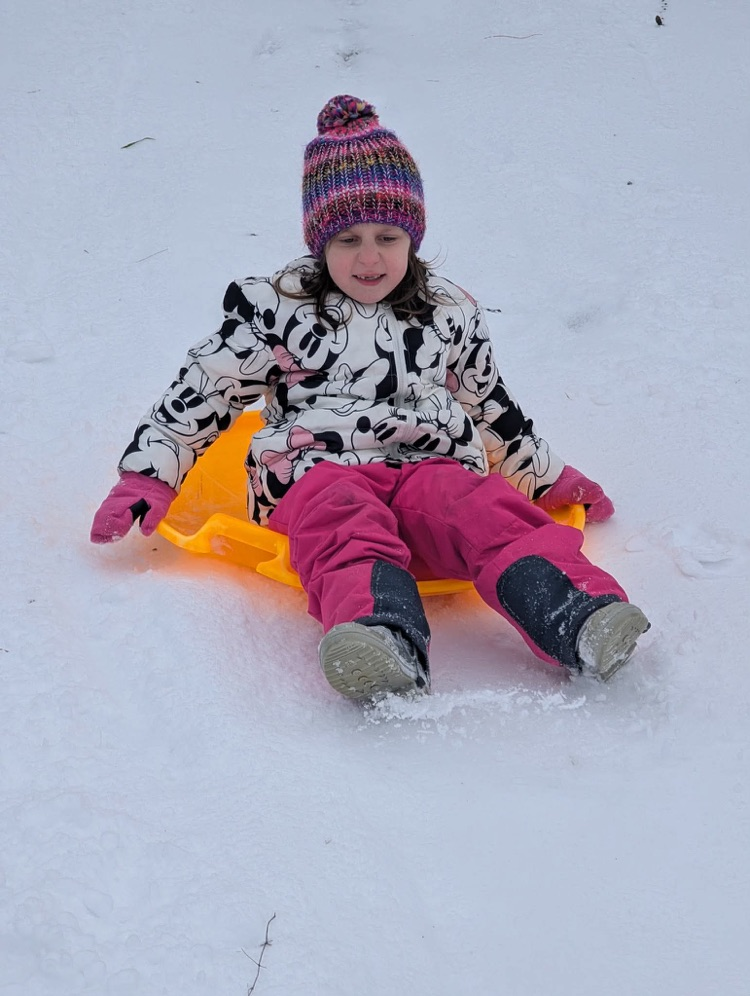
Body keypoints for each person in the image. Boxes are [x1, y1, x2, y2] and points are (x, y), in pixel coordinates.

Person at [90, 94, 650, 701]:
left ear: (413, 237)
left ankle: (577, 614)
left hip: (429, 466)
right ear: (318, 241)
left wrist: (547, 477)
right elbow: (206, 388)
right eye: (347, 238)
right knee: (343, 524)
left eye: (387, 235)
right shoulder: (277, 313)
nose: (369, 256)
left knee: (483, 507)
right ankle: (379, 639)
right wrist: (149, 476)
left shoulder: (447, 313)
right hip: (317, 470)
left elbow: (488, 406)